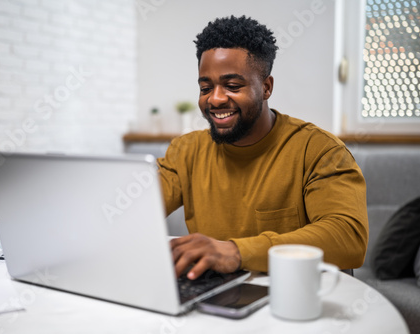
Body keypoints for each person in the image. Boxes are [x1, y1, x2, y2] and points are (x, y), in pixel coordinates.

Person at [158, 15, 369, 280]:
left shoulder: (319, 150)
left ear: (266, 87)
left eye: (232, 86)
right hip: (217, 301)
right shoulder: (185, 152)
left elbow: (348, 237)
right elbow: (136, 208)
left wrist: (237, 251)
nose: (216, 98)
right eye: (205, 87)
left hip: (296, 299)